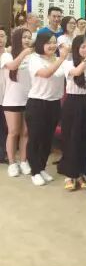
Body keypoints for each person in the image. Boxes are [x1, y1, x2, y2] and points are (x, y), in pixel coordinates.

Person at [25, 32, 69, 186]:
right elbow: (46, 74)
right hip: (37, 103)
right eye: (48, 42)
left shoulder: (58, 59)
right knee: (35, 139)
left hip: (54, 103)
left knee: (47, 139)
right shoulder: (34, 59)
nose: (52, 45)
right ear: (40, 44)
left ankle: (41, 167)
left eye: (54, 42)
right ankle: (35, 171)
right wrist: (62, 59)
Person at [57, 35, 86, 190]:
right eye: (83, 47)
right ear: (76, 49)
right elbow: (77, 72)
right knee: (71, 139)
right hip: (73, 103)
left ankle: (82, 173)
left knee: (85, 139)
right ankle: (70, 174)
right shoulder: (68, 63)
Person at [2, 28, 33, 177]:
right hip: (12, 99)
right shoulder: (7, 55)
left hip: (29, 99)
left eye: (29, 37)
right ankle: (12, 163)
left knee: (25, 132)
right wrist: (24, 53)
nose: (27, 40)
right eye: (24, 37)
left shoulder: (32, 57)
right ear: (17, 39)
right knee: (13, 132)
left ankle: (23, 161)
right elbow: (12, 66)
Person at [0, 27, 8, 163]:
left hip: (8, 96)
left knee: (5, 127)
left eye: (2, 36)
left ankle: (3, 153)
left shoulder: (10, 54)